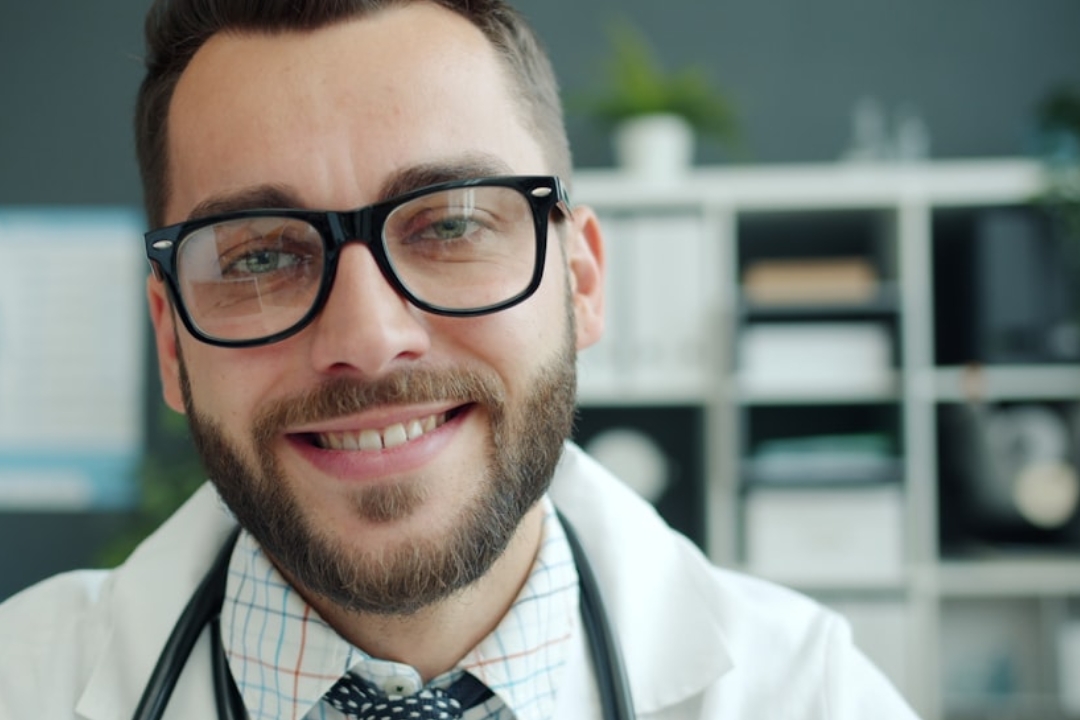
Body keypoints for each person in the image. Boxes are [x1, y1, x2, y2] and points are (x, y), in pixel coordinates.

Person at [0, 1, 921, 718]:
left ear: (582, 281)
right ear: (170, 340)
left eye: (450, 224)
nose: (364, 339)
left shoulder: (812, 694)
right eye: (260, 257)